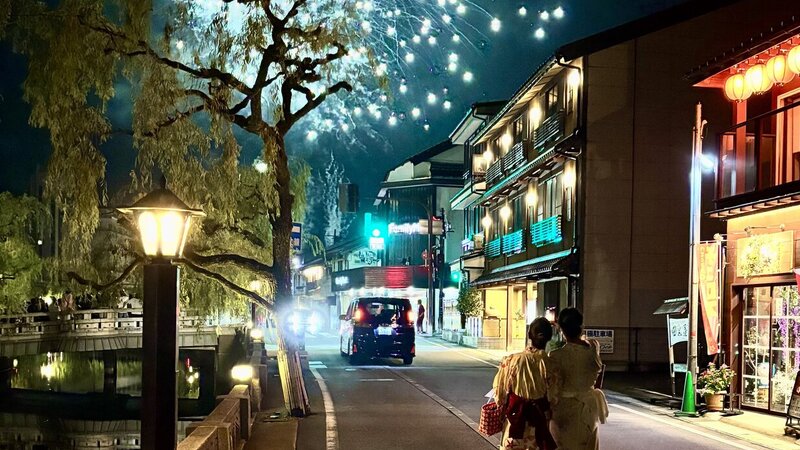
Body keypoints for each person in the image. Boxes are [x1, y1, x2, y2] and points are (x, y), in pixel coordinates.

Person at [547, 308, 608, 450]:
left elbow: (552, 388)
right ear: (581, 327)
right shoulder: (593, 347)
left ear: (561, 329)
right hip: (588, 409)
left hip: (564, 410)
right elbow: (587, 341)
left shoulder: (555, 355)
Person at [492, 318, 557, 450]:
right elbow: (554, 395)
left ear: (529, 335)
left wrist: (502, 405)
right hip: (538, 418)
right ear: (549, 338)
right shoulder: (549, 364)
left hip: (515, 416)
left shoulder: (511, 360)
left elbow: (500, 392)